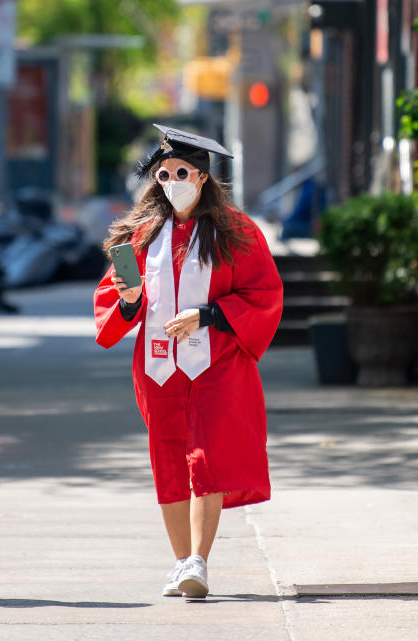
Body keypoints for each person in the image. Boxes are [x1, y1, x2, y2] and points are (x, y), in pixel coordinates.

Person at [93, 124, 283, 599]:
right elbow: (112, 301)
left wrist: (209, 314)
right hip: (159, 366)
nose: (171, 180)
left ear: (202, 178)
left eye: (182, 172)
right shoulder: (142, 233)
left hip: (216, 361)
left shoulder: (237, 231)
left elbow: (263, 293)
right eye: (164, 173)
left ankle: (198, 559)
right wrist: (131, 300)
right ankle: (181, 563)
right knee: (170, 459)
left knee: (208, 456)